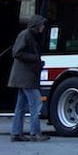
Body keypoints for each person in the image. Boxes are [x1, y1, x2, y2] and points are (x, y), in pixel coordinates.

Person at [8, 14, 48, 142]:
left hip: (25, 76)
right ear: (36, 25)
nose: (43, 27)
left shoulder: (29, 35)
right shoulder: (25, 35)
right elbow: (17, 52)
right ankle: (35, 132)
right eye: (42, 24)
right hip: (26, 76)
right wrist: (35, 59)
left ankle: (16, 133)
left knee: (21, 106)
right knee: (36, 103)